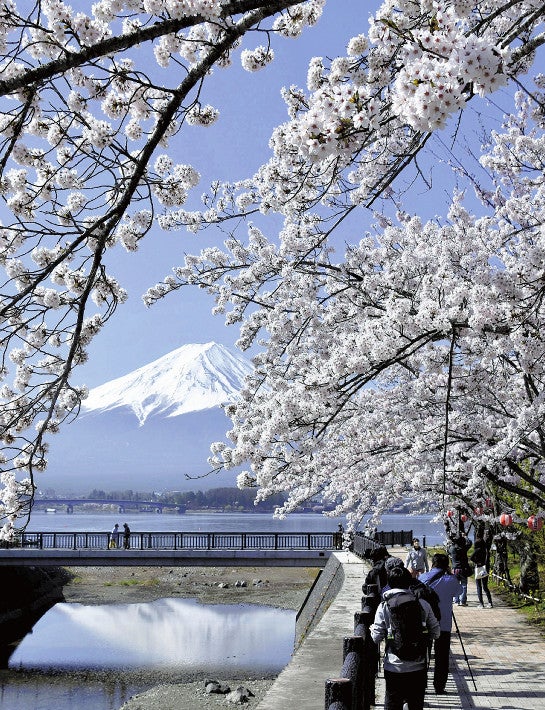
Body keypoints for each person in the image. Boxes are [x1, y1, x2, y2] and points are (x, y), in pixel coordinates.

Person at [371, 566, 440, 710]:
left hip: (393, 665)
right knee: (415, 704)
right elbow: (436, 633)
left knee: (392, 702)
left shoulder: (384, 606)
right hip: (418, 664)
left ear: (389, 583)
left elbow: (376, 637)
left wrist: (374, 630)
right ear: (410, 582)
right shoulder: (422, 604)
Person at [419, 553, 463, 695]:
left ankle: (421, 684)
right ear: (446, 565)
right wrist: (452, 575)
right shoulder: (451, 580)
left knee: (423, 655)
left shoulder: (423, 578)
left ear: (433, 563)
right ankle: (439, 686)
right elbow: (459, 592)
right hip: (443, 623)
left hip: (424, 623)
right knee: (442, 656)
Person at [447, 532, 472, 606]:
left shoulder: (452, 549)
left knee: (455, 585)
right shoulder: (463, 548)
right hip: (463, 569)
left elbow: (448, 550)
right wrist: (466, 537)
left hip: (455, 569)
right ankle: (462, 601)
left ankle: (456, 600)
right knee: (464, 585)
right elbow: (470, 543)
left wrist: (451, 541)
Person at [470, 534, 493, 608]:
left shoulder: (477, 550)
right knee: (485, 586)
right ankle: (490, 603)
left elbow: (471, 558)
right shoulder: (486, 550)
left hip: (479, 568)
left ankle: (481, 603)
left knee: (479, 586)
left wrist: (477, 562)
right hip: (485, 568)